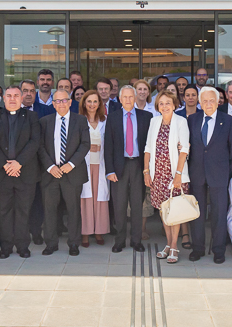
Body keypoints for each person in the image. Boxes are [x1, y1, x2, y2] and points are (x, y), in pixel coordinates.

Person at [186, 86, 232, 263]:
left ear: (218, 102)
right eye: (205, 100)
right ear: (200, 103)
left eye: (212, 100)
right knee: (197, 213)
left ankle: (218, 250)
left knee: (218, 213)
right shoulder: (192, 120)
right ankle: (198, 248)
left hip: (219, 173)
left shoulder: (228, 120)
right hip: (197, 173)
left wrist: (226, 170)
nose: (208, 103)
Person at [0, 85, 41, 258]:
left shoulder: (31, 116)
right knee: (4, 212)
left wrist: (18, 163)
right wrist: (5, 165)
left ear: (21, 98)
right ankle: (5, 247)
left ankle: (23, 246)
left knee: (23, 211)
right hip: (2, 174)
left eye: (16, 95)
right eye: (9, 95)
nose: (12, 99)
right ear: (3, 98)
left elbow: (34, 142)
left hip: (25, 172)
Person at [36, 88, 88, 255]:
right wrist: (51, 167)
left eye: (64, 100)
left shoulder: (80, 121)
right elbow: (40, 147)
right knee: (49, 210)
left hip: (72, 173)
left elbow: (85, 145)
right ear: (53, 104)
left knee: (73, 210)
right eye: (57, 101)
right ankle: (51, 243)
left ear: (70, 102)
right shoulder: (44, 121)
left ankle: (74, 243)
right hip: (51, 174)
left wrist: (70, 164)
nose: (61, 104)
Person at [145, 92, 190, 264]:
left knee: (175, 211)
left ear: (174, 104)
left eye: (168, 103)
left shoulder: (181, 121)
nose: (164, 106)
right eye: (161, 103)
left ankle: (173, 246)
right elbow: (147, 148)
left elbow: (184, 149)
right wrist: (146, 172)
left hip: (174, 174)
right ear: (157, 106)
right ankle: (168, 244)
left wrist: (178, 175)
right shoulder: (154, 121)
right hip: (158, 174)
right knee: (164, 211)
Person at [105, 85, 151, 253]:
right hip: (119, 166)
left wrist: (148, 170)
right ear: (120, 99)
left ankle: (136, 240)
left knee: (137, 205)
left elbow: (149, 145)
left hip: (138, 165)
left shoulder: (147, 116)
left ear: (136, 97)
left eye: (131, 97)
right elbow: (108, 145)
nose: (128, 100)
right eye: (125, 97)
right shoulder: (113, 117)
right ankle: (119, 241)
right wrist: (109, 170)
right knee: (119, 205)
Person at [78, 90, 110, 247]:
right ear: (84, 103)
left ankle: (99, 231)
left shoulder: (105, 121)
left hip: (101, 165)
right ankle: (85, 233)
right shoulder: (79, 120)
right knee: (86, 199)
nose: (92, 104)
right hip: (84, 164)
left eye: (95, 101)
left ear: (99, 104)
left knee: (100, 198)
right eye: (88, 101)